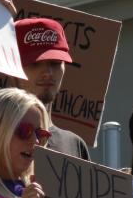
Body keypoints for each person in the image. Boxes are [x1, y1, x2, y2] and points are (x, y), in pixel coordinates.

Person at [14, 17, 90, 160]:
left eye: (55, 63)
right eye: (35, 63)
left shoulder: (75, 144)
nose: (48, 73)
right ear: (13, 66)